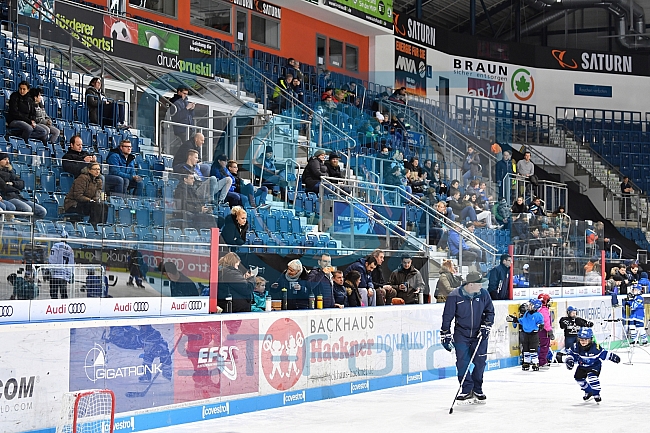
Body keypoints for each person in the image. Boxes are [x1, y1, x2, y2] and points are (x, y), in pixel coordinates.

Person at [441, 271, 494, 403]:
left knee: (480, 362)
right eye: (479, 283)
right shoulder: (455, 296)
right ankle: (466, 388)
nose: (481, 285)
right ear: (470, 284)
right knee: (462, 362)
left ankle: (477, 388)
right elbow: (447, 317)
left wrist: (486, 325)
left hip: (479, 334)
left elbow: (490, 312)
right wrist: (445, 333)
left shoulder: (484, 294)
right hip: (462, 334)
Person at [562, 327, 621, 402]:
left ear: (590, 339)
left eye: (586, 339)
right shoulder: (575, 346)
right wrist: (569, 360)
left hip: (594, 365)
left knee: (592, 378)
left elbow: (604, 353)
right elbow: (571, 354)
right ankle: (589, 391)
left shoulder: (595, 347)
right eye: (581, 339)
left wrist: (612, 357)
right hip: (582, 366)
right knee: (578, 378)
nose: (583, 341)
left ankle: (596, 394)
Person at [0, 152, 47, 218]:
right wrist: (16, 187)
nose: (7, 161)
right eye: (4, 159)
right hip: (8, 197)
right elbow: (5, 187)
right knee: (27, 209)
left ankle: (30, 226)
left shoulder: (11, 172)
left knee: (42, 211)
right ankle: (19, 226)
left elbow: (22, 183)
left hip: (19, 197)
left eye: (8, 159)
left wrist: (12, 183)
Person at [506, 299, 544, 371]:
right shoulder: (526, 313)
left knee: (533, 349)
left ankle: (535, 363)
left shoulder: (538, 315)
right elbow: (522, 321)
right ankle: (526, 362)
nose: (528, 306)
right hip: (525, 334)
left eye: (530, 305)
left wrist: (540, 325)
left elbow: (540, 322)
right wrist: (515, 320)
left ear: (535, 307)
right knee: (525, 349)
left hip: (533, 334)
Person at [48, 233, 75, 299]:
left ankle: (55, 308)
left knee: (53, 294)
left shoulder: (56, 246)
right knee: (64, 294)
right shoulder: (70, 249)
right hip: (64, 275)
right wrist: (70, 274)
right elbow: (71, 263)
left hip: (55, 274)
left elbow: (52, 259)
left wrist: (49, 269)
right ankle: (64, 307)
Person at [537, 293, 554, 369]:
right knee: (544, 346)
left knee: (541, 346)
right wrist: (550, 331)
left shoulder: (539, 309)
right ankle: (542, 362)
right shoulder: (543, 310)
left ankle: (540, 360)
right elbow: (546, 322)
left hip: (539, 331)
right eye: (548, 300)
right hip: (544, 332)